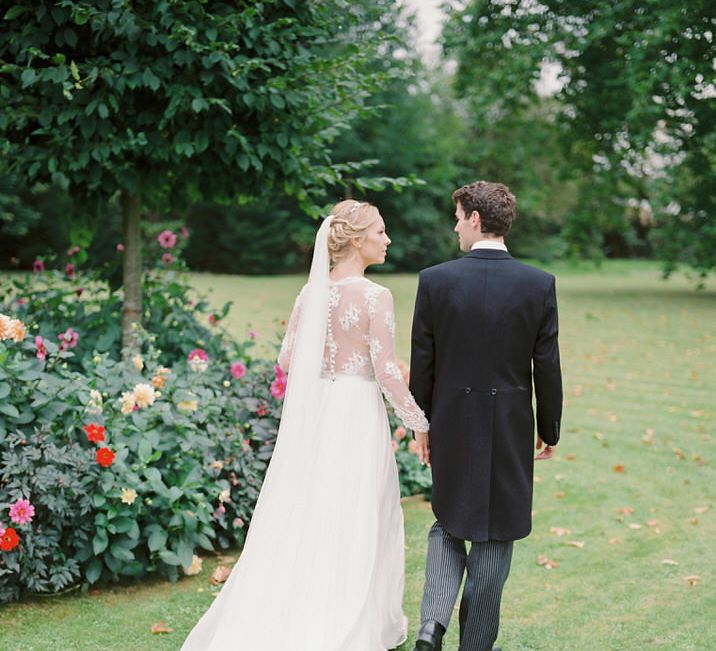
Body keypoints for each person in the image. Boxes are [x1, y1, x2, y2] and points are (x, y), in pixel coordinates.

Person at [181, 200, 429, 651]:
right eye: (380, 232)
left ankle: (302, 606)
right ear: (356, 240)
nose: (387, 240)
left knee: (315, 508)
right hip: (356, 411)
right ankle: (347, 616)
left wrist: (334, 361)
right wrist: (417, 421)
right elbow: (385, 369)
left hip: (320, 412)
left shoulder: (310, 293)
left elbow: (288, 359)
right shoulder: (376, 296)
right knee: (356, 510)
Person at [408, 181, 563, 651]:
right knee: (495, 536)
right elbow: (547, 365)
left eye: (458, 216)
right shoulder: (539, 284)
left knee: (447, 523)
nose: (455, 225)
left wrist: (421, 423)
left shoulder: (435, 280)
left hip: (452, 420)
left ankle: (431, 624)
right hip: (510, 427)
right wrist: (549, 427)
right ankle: (474, 646)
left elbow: (423, 362)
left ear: (476, 219)